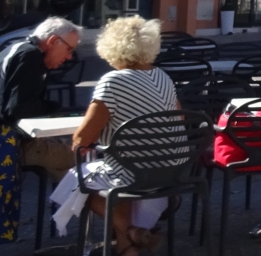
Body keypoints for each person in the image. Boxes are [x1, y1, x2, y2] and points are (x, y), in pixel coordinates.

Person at [53, 17, 178, 255]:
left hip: (131, 172)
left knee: (79, 182)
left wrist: (90, 140)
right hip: (167, 171)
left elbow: (82, 138)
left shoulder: (113, 81)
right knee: (117, 173)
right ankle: (130, 243)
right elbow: (177, 119)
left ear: (111, 48)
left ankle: (131, 232)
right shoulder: (163, 77)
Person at [0, 17, 80, 242]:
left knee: (69, 160)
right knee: (79, 158)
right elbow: (18, 109)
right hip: (6, 140)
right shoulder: (30, 56)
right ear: (53, 41)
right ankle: (120, 219)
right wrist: (50, 107)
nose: (69, 57)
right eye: (69, 49)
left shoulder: (17, 47)